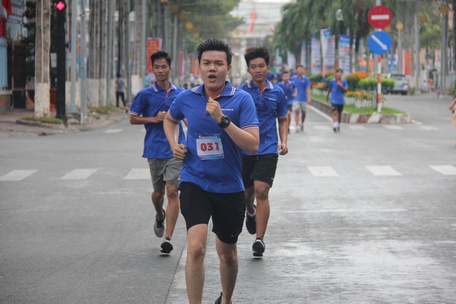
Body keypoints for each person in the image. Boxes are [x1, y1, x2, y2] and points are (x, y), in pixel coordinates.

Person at [163, 39, 259, 304]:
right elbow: (170, 120)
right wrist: (174, 144)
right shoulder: (186, 98)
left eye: (218, 63)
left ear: (228, 67)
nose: (212, 69)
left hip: (229, 186)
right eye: (207, 63)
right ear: (200, 67)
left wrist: (223, 120)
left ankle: (226, 299)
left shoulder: (242, 100)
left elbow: (252, 144)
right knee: (195, 248)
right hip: (195, 181)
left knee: (227, 254)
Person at [129, 51, 184, 255]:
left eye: (164, 67)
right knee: (159, 193)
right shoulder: (145, 94)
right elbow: (133, 118)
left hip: (177, 149)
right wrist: (153, 119)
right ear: (153, 70)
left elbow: (189, 117)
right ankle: (159, 215)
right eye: (157, 67)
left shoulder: (181, 94)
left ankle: (168, 237)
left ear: (170, 68)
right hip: (154, 148)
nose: (161, 71)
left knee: (172, 190)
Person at [238, 46, 288, 258]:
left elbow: (283, 118)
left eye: (261, 66)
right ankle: (250, 211)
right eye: (253, 67)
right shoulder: (240, 92)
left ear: (268, 68)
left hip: (268, 148)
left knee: (261, 191)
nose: (258, 70)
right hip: (245, 149)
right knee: (247, 194)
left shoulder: (277, 92)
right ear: (248, 69)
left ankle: (259, 239)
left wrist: (283, 141)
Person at [327, 68, 348, 132]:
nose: (339, 74)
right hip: (334, 100)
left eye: (340, 73)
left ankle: (338, 124)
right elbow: (330, 88)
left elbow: (346, 90)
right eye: (338, 72)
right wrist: (327, 95)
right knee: (334, 112)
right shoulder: (332, 81)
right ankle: (334, 125)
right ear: (336, 73)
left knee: (339, 113)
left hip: (340, 100)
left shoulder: (344, 81)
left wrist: (341, 86)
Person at [291, 65, 311, 132]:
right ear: (296, 70)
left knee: (304, 113)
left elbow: (308, 88)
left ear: (303, 70)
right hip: (295, 98)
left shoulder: (306, 79)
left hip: (303, 98)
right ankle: (297, 126)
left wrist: (309, 97)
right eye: (299, 69)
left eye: (301, 69)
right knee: (297, 111)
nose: (300, 70)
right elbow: (291, 88)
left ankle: (302, 123)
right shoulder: (293, 78)